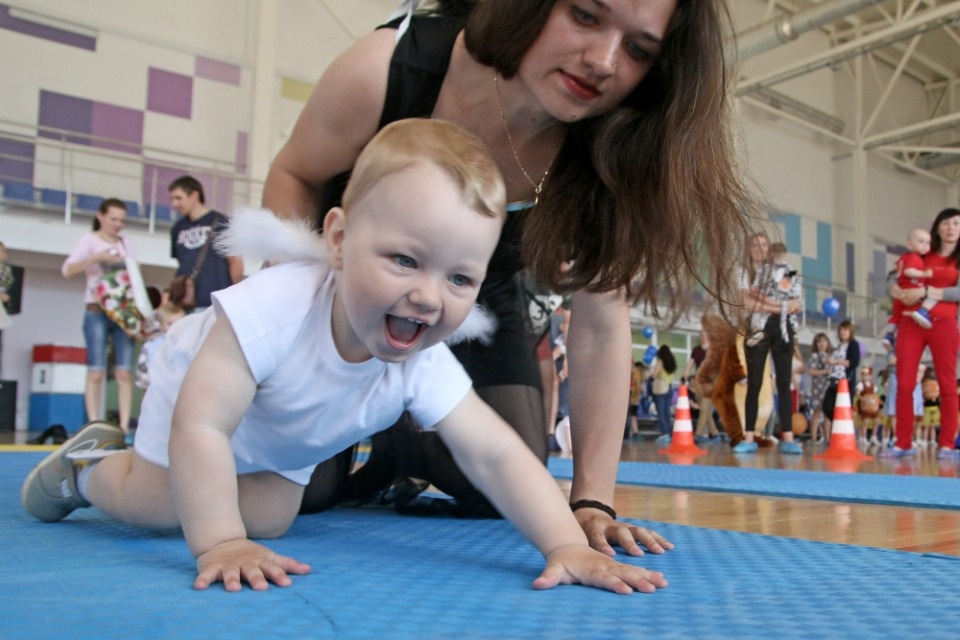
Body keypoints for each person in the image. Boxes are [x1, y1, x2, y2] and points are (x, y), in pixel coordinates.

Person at [21, 119, 669, 595]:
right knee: (163, 504)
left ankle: (180, 492)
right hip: (199, 395)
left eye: (459, 278)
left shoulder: (420, 356)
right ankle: (84, 472)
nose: (428, 296)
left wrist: (564, 543)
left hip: (279, 432)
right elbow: (203, 424)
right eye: (404, 260)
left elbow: (496, 453)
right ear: (338, 239)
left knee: (270, 518)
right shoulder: (276, 307)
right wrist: (220, 541)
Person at [262, 0, 752, 552]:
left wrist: (591, 503)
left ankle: (400, 436)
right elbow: (295, 174)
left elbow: (599, 325)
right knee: (301, 489)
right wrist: (297, 322)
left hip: (478, 297)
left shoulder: (607, 150)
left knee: (503, 489)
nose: (603, 61)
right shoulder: (392, 66)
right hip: (349, 281)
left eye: (638, 49)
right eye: (585, 16)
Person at [884, 208, 960, 461]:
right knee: (905, 382)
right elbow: (895, 276)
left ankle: (947, 443)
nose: (951, 228)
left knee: (947, 384)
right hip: (911, 322)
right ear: (937, 227)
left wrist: (926, 292)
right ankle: (903, 443)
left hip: (944, 324)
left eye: (956, 223)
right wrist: (894, 289)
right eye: (946, 223)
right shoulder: (922, 253)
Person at [61, 199, 137, 439]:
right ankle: (94, 423)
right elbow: (67, 270)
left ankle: (123, 426)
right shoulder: (89, 240)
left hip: (123, 312)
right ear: (101, 216)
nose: (118, 224)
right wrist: (95, 258)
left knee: (124, 372)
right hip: (96, 309)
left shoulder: (126, 243)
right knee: (95, 371)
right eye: (113, 219)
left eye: (122, 220)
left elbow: (134, 275)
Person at [736, 232, 804, 454]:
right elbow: (747, 303)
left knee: (784, 383)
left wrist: (780, 307)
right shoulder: (744, 271)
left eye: (764, 245)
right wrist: (781, 307)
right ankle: (749, 437)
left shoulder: (785, 271)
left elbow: (796, 302)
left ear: (770, 249)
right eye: (755, 245)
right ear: (749, 249)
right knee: (754, 382)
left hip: (783, 328)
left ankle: (788, 438)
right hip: (757, 329)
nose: (760, 249)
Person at [169, 175, 244, 312]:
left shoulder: (221, 222)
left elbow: (236, 263)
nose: (174, 204)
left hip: (215, 303)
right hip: (185, 303)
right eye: (172, 199)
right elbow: (181, 262)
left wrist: (231, 296)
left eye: (178, 198)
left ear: (194, 195)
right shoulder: (177, 228)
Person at [881, 228, 938, 349]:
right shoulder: (914, 257)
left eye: (928, 243)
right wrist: (924, 274)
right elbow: (908, 271)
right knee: (934, 293)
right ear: (910, 244)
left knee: (896, 317)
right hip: (911, 288)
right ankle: (923, 311)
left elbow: (896, 274)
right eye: (921, 242)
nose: (925, 246)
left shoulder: (904, 257)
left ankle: (889, 335)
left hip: (900, 294)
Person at [745, 242, 801, 348]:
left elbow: (755, 291)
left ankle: (757, 330)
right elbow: (795, 297)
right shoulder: (791, 272)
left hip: (770, 309)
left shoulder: (764, 270)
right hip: (781, 310)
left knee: (759, 319)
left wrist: (767, 300)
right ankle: (792, 332)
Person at [820, 319, 861, 441]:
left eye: (845, 330)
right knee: (827, 406)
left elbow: (854, 362)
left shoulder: (853, 344)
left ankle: (842, 432)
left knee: (841, 406)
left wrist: (836, 361)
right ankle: (839, 427)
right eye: (841, 330)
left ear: (850, 331)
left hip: (844, 381)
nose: (842, 332)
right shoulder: (839, 346)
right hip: (834, 379)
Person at [134, 302, 186, 391]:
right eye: (170, 324)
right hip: (157, 383)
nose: (175, 327)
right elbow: (146, 368)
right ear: (161, 326)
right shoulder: (154, 344)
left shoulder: (188, 342)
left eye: (179, 323)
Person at [807, 332, 832, 444]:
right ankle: (813, 437)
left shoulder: (830, 356)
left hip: (828, 387)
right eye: (819, 341)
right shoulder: (814, 356)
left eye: (824, 341)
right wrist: (825, 371)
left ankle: (827, 438)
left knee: (827, 413)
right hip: (818, 388)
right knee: (817, 411)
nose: (822, 343)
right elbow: (811, 371)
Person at [650, 345, 676, 444]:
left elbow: (654, 375)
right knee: (667, 413)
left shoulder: (660, 361)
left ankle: (665, 434)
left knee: (661, 413)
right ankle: (669, 433)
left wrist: (651, 374)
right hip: (669, 388)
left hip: (660, 389)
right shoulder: (671, 362)